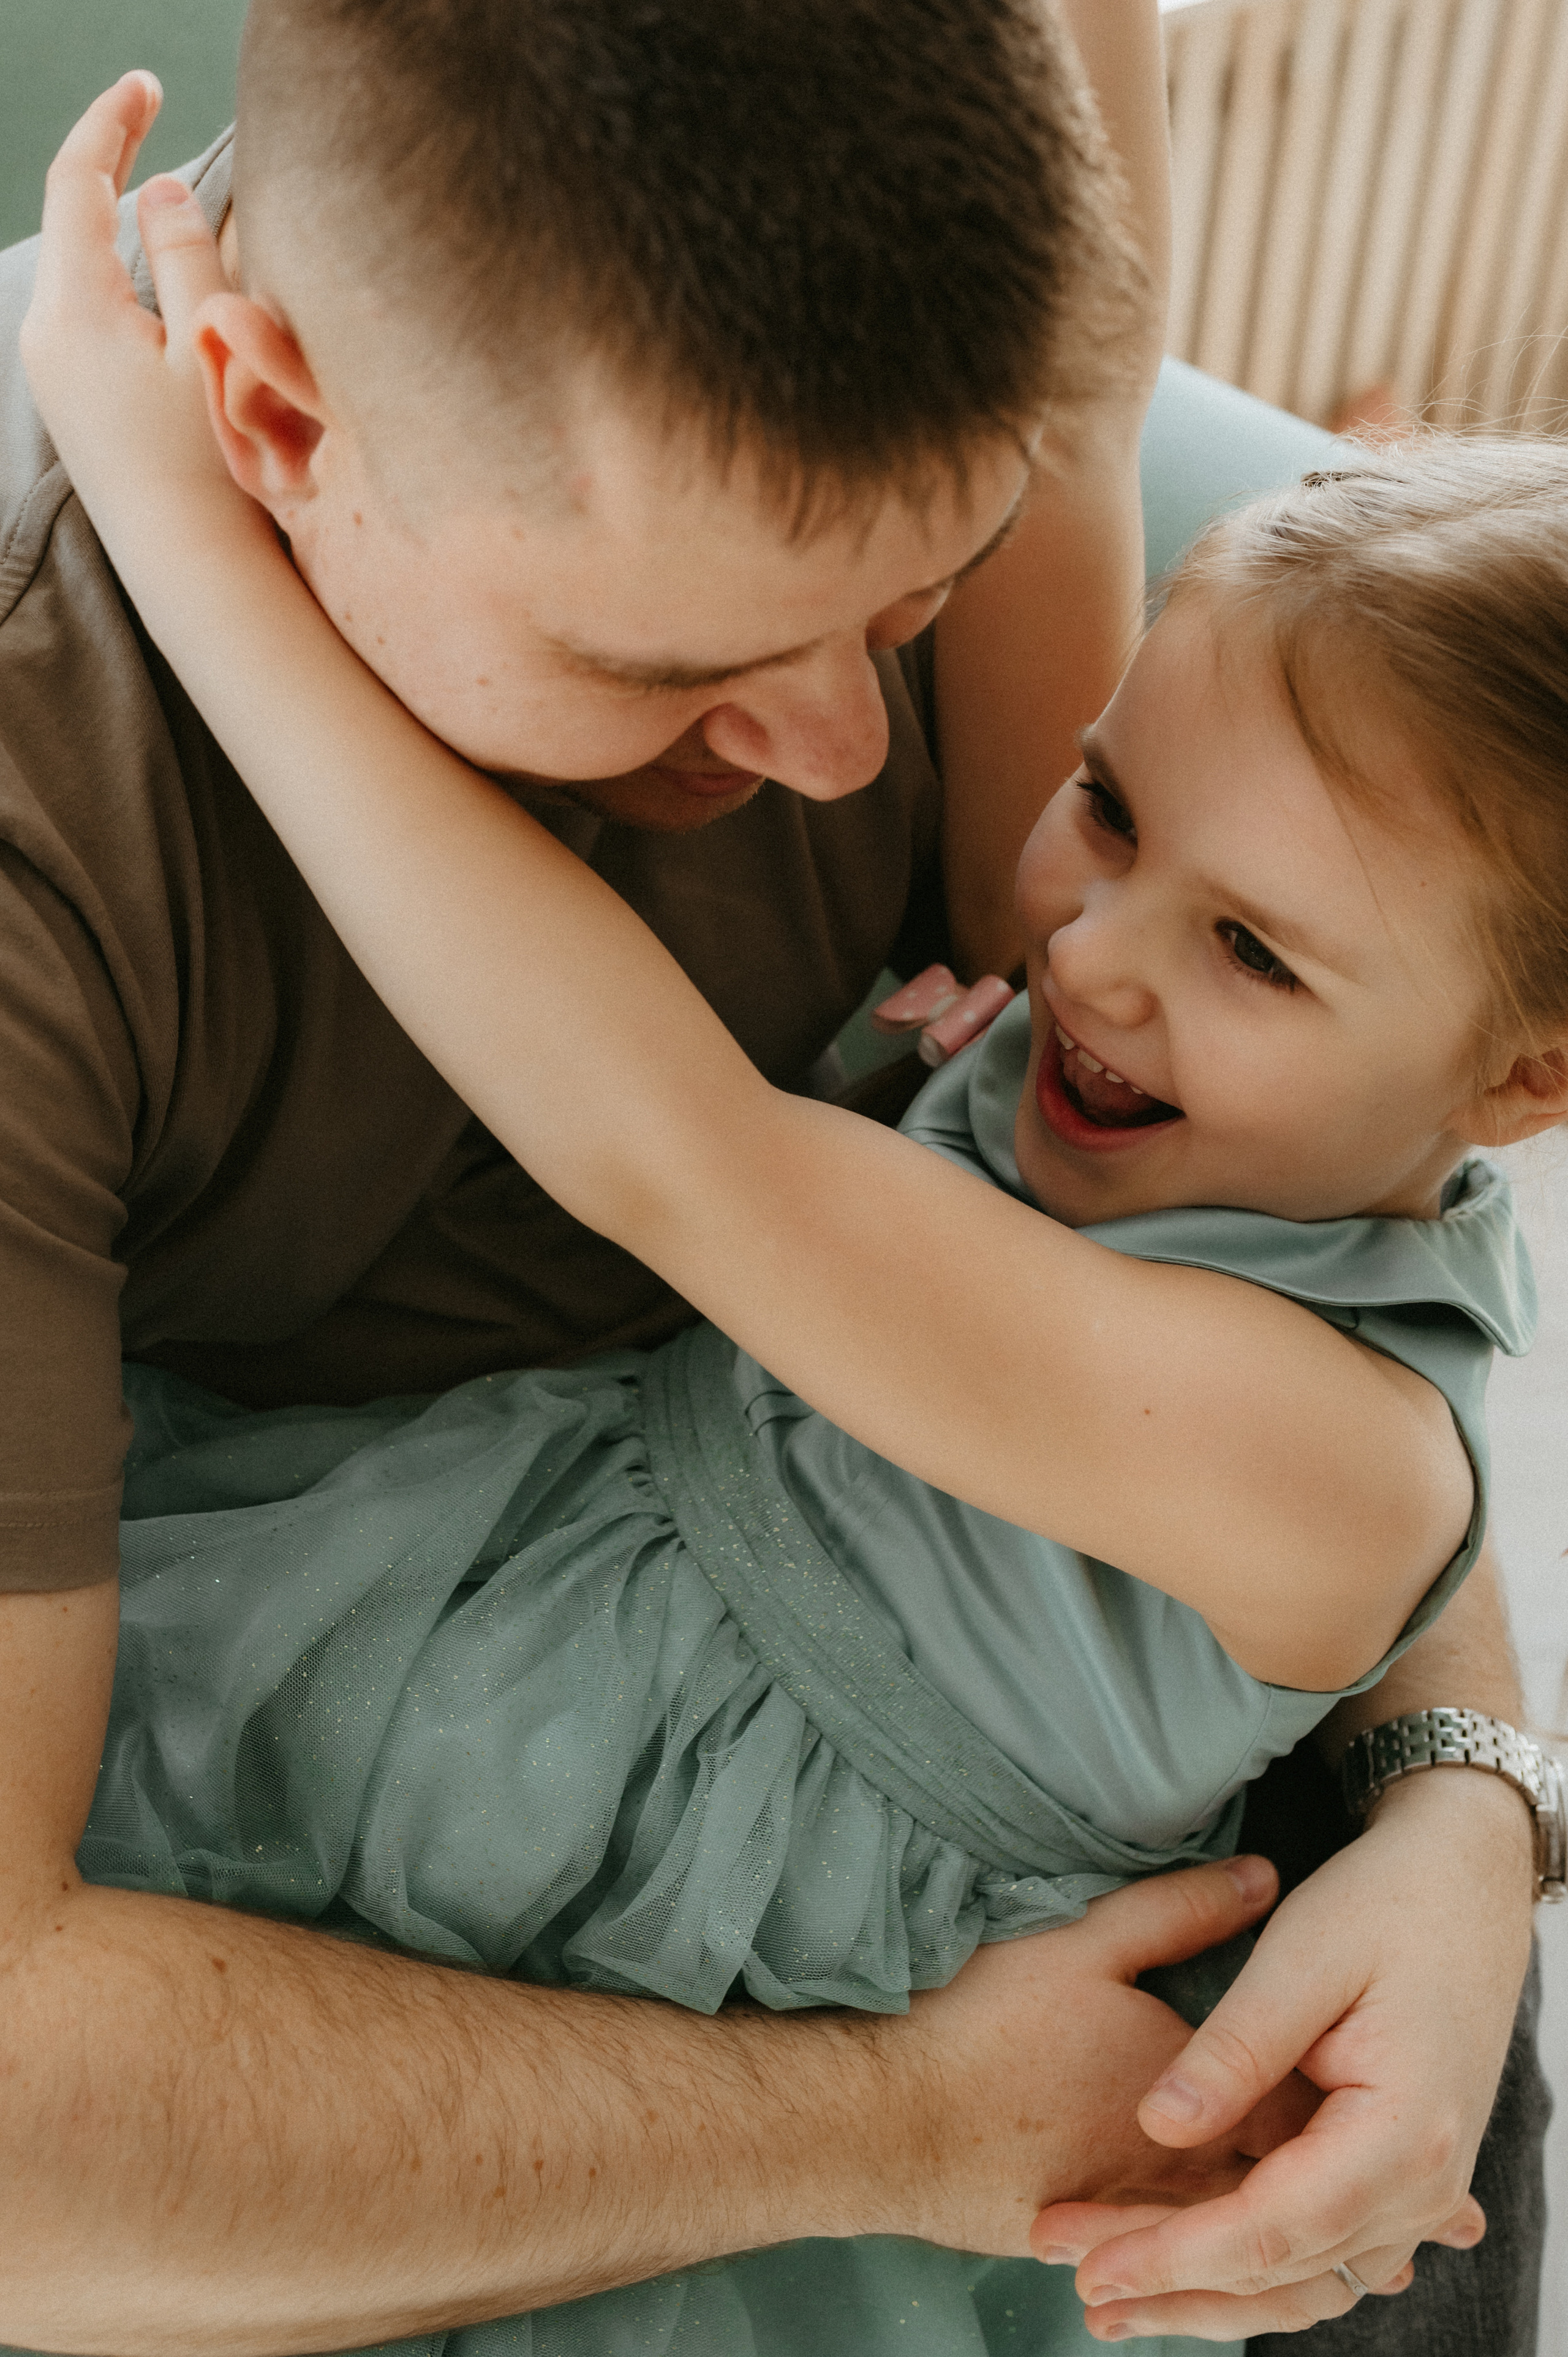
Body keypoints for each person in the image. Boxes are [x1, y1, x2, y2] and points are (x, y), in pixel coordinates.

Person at [0, 34, 1546, 2357]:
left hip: (850, 1889)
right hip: (459, 1752)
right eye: (680, 667)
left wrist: (1474, 1802)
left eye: (917, 611)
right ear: (277, 420)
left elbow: (745, 1166)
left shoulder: (1275, 1326)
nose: (1047, 935)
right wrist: (892, 2122)